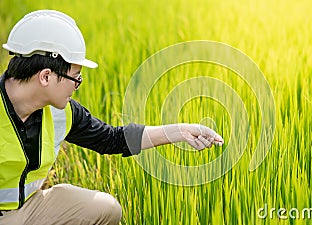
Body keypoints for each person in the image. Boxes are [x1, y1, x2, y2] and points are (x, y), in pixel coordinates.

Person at [0, 10, 224, 225]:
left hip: (29, 208)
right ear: (46, 76)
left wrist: (180, 131)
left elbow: (112, 139)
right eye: (75, 78)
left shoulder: (61, 113)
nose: (76, 86)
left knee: (106, 209)